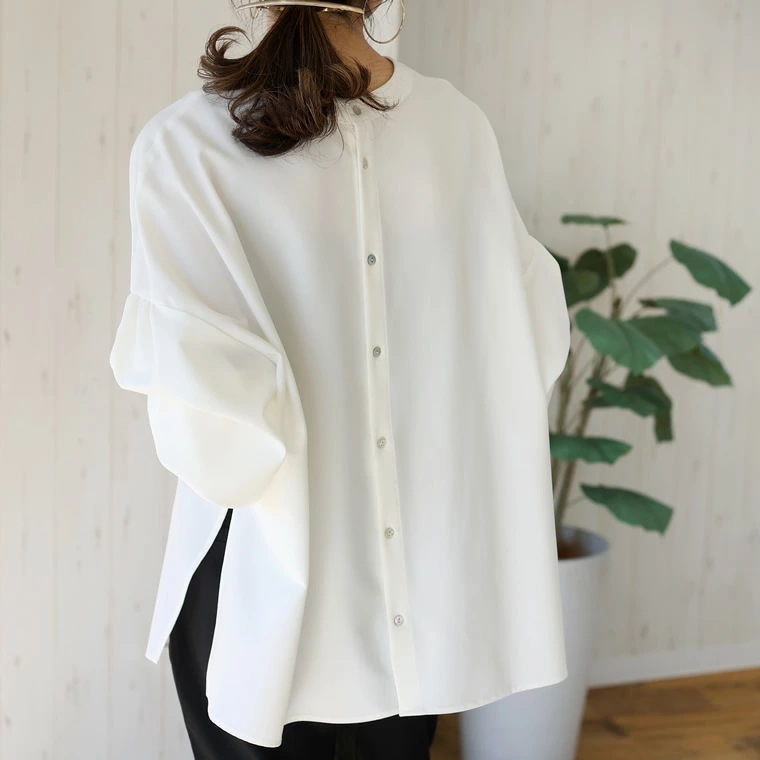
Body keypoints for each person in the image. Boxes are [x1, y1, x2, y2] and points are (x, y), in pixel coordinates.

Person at [108, 0, 572, 758]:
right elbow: (530, 345)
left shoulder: (182, 147)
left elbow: (217, 448)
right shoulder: (458, 130)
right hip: (415, 587)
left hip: (256, 581)